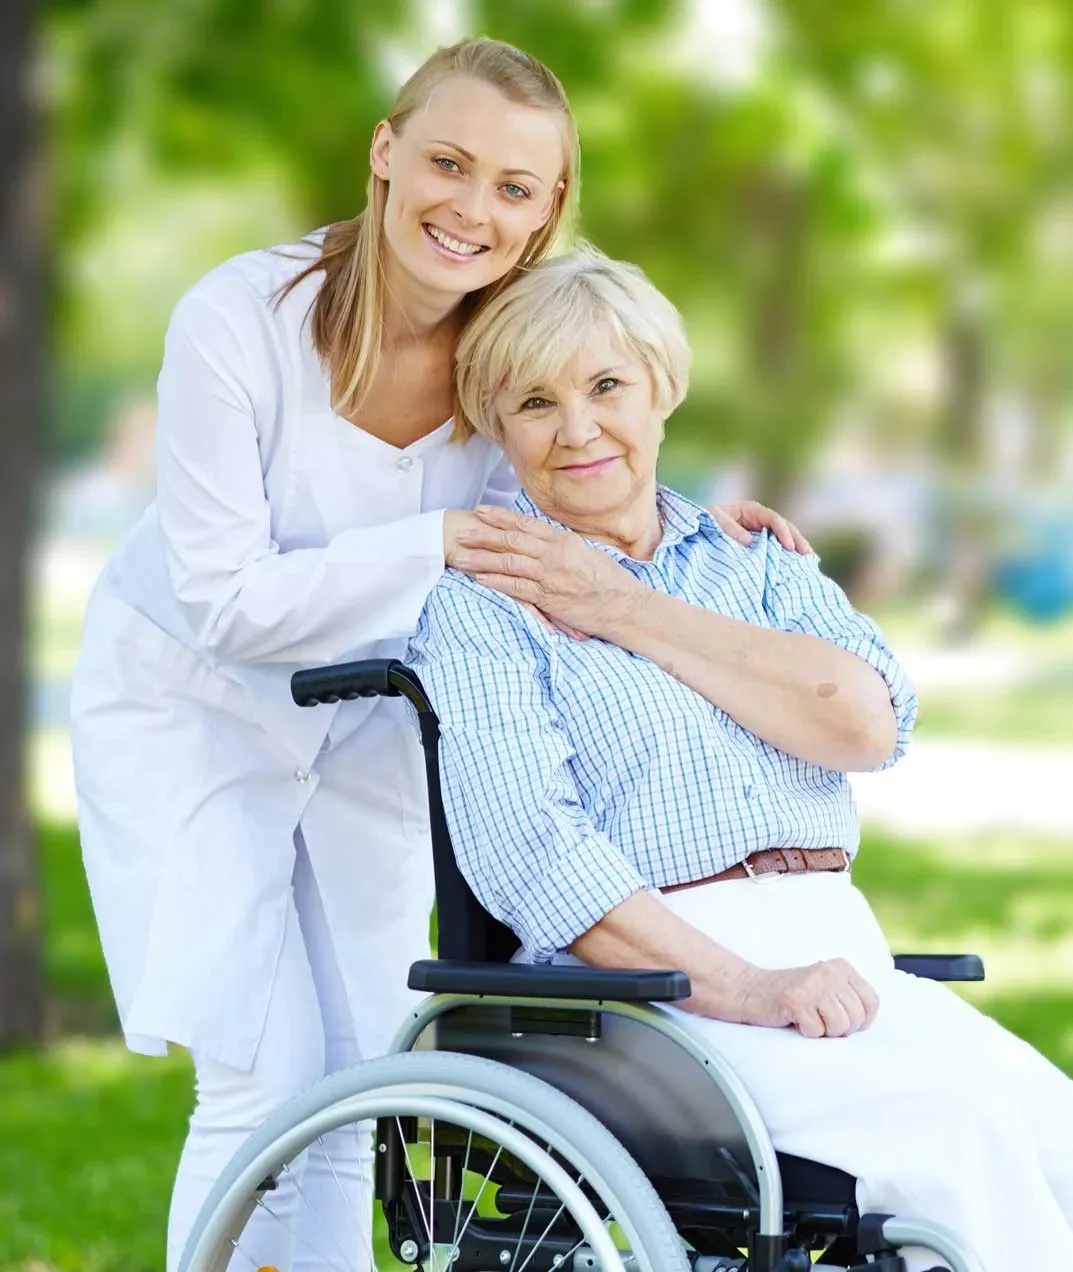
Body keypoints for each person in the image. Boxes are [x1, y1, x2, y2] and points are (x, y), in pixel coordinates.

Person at [69, 37, 806, 1272]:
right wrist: (442, 540)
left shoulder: (510, 349)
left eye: (515, 188)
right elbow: (224, 605)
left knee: (365, 1073)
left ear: (546, 212)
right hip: (188, 708)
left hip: (368, 718)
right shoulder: (238, 322)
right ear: (385, 153)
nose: (471, 209)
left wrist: (684, 523)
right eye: (448, 164)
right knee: (259, 1079)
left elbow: (588, 455)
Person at [407, 246, 1073, 1272]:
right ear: (499, 427)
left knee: (1054, 1130)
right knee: (968, 1143)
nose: (578, 427)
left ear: (661, 390)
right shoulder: (483, 606)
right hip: (653, 1002)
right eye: (535, 402)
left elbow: (865, 724)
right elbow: (530, 853)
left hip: (838, 955)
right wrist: (743, 987)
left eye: (605, 385)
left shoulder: (756, 565)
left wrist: (621, 608)